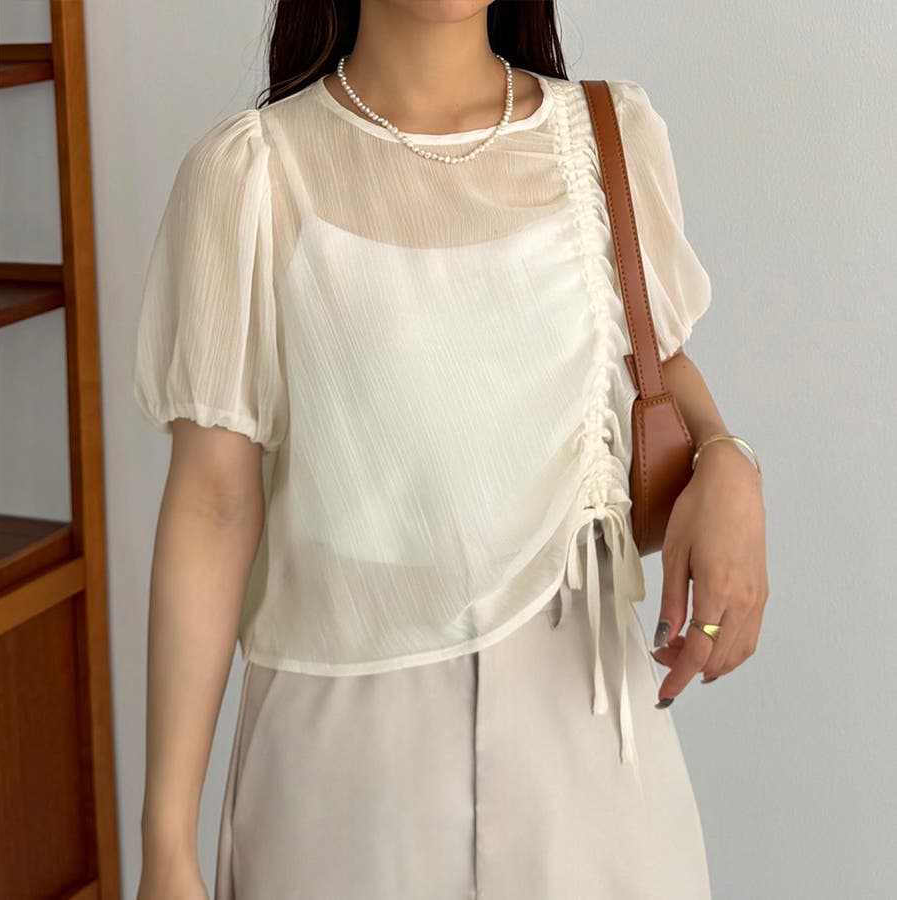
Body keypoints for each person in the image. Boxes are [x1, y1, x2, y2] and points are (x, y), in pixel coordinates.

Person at [133, 2, 768, 898]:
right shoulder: (250, 174)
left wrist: (731, 464)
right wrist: (167, 845)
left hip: (590, 753)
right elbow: (212, 506)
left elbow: (653, 361)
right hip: (343, 771)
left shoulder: (606, 137)